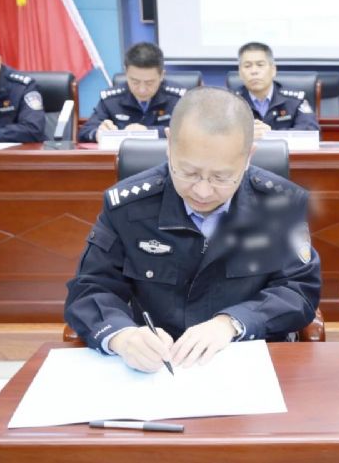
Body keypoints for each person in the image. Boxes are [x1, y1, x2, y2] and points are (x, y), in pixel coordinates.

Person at [65, 86, 321, 372]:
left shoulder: (281, 204)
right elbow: (91, 288)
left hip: (247, 360)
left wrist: (232, 323)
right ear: (169, 145)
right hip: (158, 367)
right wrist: (122, 336)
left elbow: (298, 291)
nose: (202, 191)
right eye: (188, 172)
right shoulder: (127, 207)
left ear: (249, 156)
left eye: (221, 177)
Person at [79, 42, 185, 143]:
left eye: (149, 83)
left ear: (161, 75)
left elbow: (188, 133)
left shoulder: (179, 99)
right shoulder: (111, 99)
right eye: (135, 82)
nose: (142, 89)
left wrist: (148, 132)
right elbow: (85, 131)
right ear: (126, 73)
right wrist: (99, 133)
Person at [235, 42, 319, 139]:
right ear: (240, 72)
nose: (254, 71)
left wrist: (271, 135)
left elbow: (311, 133)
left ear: (273, 70)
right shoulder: (231, 103)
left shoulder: (295, 101)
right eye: (247, 66)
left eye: (260, 65)